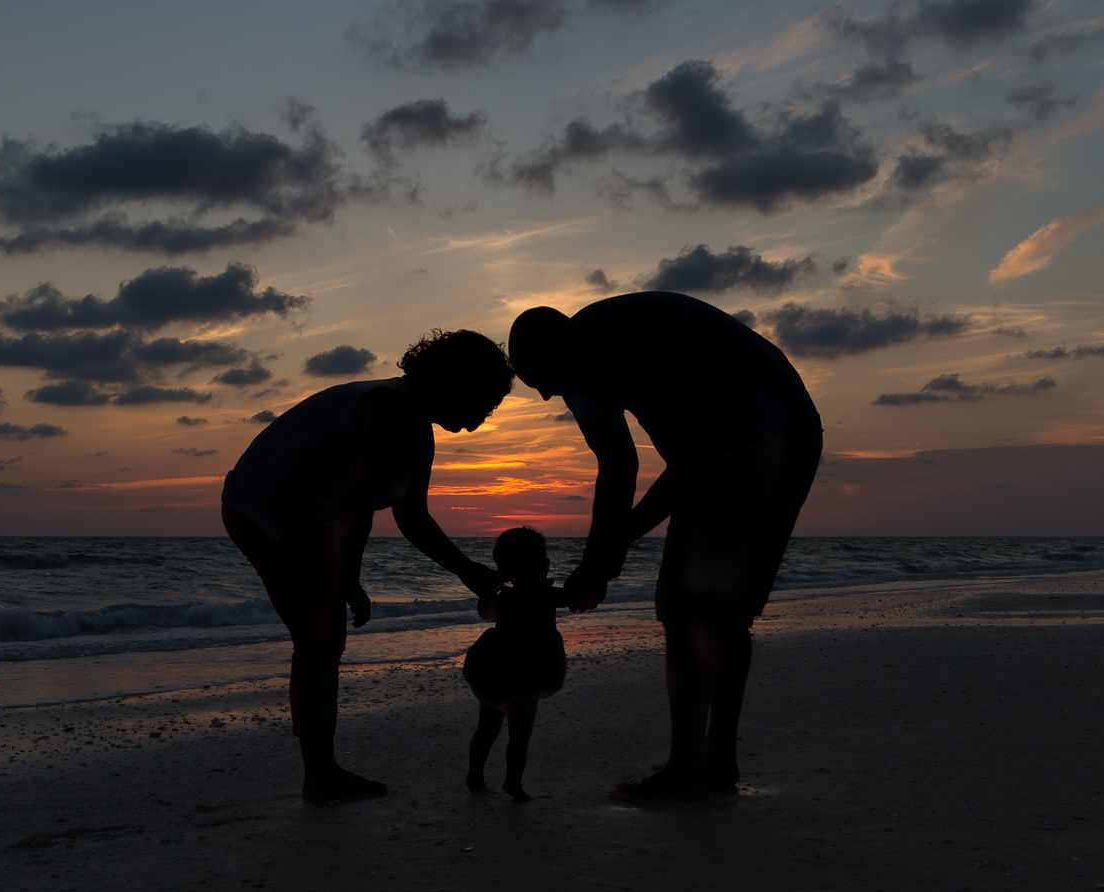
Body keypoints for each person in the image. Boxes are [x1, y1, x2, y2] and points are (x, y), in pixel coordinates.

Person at [508, 291, 822, 803]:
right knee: (724, 612)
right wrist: (617, 543)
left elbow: (618, 464)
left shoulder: (573, 349)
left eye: (535, 379)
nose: (545, 395)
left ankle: (685, 771)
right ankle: (716, 762)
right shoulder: (620, 339)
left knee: (686, 609)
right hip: (794, 431)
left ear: (547, 353)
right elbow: (685, 470)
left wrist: (594, 568)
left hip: (744, 440)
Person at [222, 330, 513, 802]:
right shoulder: (393, 411)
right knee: (320, 637)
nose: (482, 420)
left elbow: (412, 515)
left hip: (309, 510)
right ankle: (320, 776)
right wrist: (348, 577)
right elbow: (354, 504)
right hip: (266, 505)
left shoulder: (415, 423)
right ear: (455, 383)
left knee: (324, 636)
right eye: (483, 402)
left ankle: (322, 771)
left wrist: (464, 569)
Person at [462, 526, 571, 802]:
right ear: (545, 565)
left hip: (496, 665)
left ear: (502, 570)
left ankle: (476, 776)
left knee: (488, 726)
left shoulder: (505, 596)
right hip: (531, 669)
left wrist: (489, 593)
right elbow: (578, 599)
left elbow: (486, 614)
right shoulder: (548, 595)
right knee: (520, 732)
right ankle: (512, 782)